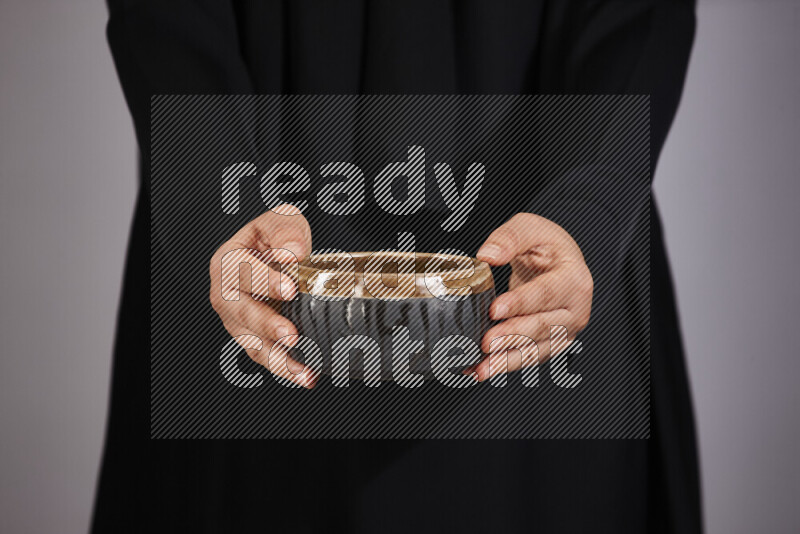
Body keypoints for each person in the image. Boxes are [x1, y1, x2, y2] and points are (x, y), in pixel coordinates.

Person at [93, 1, 701, 532]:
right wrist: (215, 196)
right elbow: (163, 17)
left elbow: (638, 18)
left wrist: (589, 209)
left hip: (545, 282)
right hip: (243, 286)